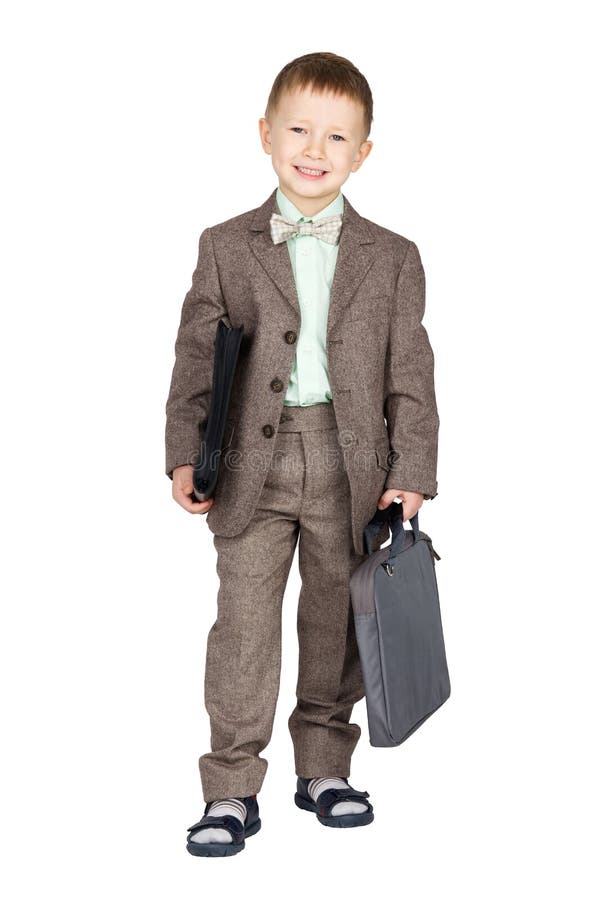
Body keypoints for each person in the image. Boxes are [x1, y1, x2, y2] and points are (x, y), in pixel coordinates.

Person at [165, 51, 439, 857]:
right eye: (298, 129)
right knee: (243, 630)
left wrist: (411, 472)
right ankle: (229, 787)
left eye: (337, 136)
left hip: (353, 469)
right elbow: (193, 358)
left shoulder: (392, 256)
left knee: (336, 624)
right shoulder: (225, 244)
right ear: (264, 134)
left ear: (363, 153)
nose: (314, 149)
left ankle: (324, 767)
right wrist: (185, 451)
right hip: (249, 465)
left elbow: (411, 371)